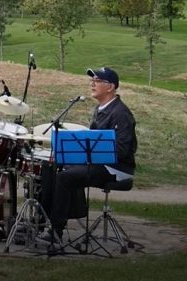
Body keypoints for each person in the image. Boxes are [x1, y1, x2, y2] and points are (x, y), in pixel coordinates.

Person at [39, 66, 136, 246]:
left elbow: (123, 150)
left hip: (116, 168)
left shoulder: (120, 113)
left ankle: (56, 231)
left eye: (98, 81)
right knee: (51, 167)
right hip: (99, 163)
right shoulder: (101, 108)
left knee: (65, 177)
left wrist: (90, 157)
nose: (93, 84)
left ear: (111, 87)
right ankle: (40, 221)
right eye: (92, 80)